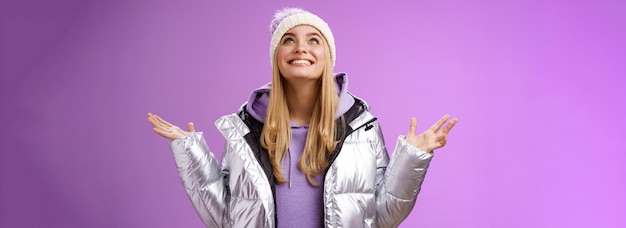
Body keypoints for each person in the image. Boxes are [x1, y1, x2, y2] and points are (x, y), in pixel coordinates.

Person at [147, 7, 457, 228]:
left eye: (313, 40)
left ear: (327, 56)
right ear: (276, 56)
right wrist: (190, 153)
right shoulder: (245, 130)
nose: (300, 48)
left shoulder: (360, 127)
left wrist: (414, 156)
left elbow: (383, 217)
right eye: (288, 39)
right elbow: (224, 219)